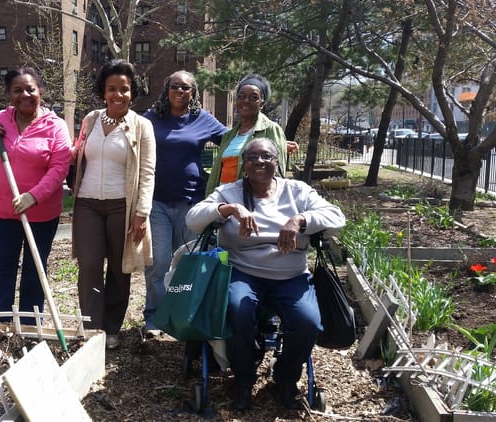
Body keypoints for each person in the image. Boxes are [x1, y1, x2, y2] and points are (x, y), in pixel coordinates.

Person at [186, 138, 346, 411]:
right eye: (252, 157)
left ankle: (284, 379)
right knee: (237, 310)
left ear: (277, 162)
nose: (259, 161)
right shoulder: (230, 191)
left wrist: (300, 220)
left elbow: (336, 217)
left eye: (266, 156)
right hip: (243, 272)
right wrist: (229, 209)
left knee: (308, 322)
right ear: (244, 165)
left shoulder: (297, 191)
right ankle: (244, 379)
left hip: (291, 274)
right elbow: (193, 219)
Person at [70, 59, 156, 350]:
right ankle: (92, 329)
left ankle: (112, 328)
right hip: (87, 205)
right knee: (90, 266)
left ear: (133, 92)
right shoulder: (91, 120)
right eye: (111, 89)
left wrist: (141, 213)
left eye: (124, 89)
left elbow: (147, 172)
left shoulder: (142, 126)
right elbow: (79, 155)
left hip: (124, 206)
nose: (117, 95)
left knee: (120, 270)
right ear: (103, 91)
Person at [0, 67, 72, 324]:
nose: (25, 95)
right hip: (3, 211)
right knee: (4, 265)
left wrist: (33, 196)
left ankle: (31, 323)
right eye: (17, 90)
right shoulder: (1, 120)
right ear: (9, 94)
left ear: (40, 91)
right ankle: (0, 322)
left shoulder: (55, 126)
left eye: (30, 89)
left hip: (41, 212)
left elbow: (59, 168)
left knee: (34, 269)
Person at [141, 70, 228, 337]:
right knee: (158, 262)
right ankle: (155, 317)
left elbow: (235, 139)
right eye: (174, 86)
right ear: (166, 89)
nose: (179, 91)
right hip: (157, 201)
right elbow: (128, 133)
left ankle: (181, 313)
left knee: (187, 262)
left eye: (186, 88)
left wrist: (276, 141)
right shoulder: (152, 118)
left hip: (192, 201)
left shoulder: (203, 119)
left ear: (194, 93)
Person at [205, 73, 298, 195]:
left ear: (262, 103)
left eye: (253, 97)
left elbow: (277, 171)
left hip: (251, 201)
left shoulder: (271, 129)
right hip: (224, 200)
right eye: (241, 96)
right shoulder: (229, 135)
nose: (246, 101)